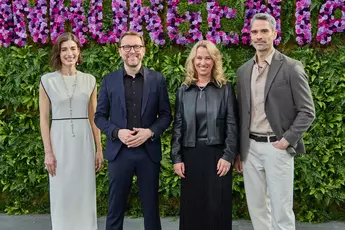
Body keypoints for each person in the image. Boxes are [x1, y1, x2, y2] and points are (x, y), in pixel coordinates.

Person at [234, 13, 315, 230]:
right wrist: (239, 151)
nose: (259, 36)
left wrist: (286, 140)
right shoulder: (243, 71)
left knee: (281, 209)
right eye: (254, 32)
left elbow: (307, 111)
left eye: (264, 31)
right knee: (257, 209)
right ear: (249, 36)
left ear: (274, 34)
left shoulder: (291, 67)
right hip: (250, 149)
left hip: (277, 147)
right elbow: (240, 114)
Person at [94, 31, 172, 230]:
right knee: (115, 208)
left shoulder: (158, 79)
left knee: (151, 208)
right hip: (119, 153)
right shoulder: (108, 81)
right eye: (127, 47)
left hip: (148, 153)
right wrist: (117, 132)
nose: (132, 51)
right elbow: (99, 117)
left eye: (136, 46)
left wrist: (150, 132)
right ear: (120, 51)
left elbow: (166, 115)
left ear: (144, 50)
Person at [171, 40, 238, 230]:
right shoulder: (183, 91)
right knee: (192, 209)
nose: (203, 62)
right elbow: (178, 126)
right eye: (199, 58)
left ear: (214, 61)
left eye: (208, 58)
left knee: (217, 208)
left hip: (217, 157)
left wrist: (228, 156)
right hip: (190, 157)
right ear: (193, 61)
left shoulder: (225, 89)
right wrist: (176, 158)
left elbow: (232, 125)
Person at [39, 32, 103, 230]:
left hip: (84, 143)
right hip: (59, 142)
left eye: (73, 49)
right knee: (61, 192)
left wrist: (99, 149)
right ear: (58, 53)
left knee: (84, 192)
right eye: (64, 49)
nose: (69, 53)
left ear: (79, 52)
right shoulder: (47, 81)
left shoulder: (90, 80)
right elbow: (43, 119)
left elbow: (94, 118)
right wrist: (48, 152)